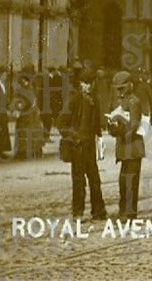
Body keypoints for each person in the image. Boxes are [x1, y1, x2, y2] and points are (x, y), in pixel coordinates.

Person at [59, 67, 107, 221]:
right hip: (77, 147)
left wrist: (99, 137)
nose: (88, 87)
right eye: (85, 83)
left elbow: (96, 124)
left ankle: (98, 211)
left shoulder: (94, 99)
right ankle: (78, 212)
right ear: (80, 84)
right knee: (79, 181)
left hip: (90, 147)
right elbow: (61, 123)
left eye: (90, 83)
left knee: (94, 180)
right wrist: (75, 136)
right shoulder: (74, 99)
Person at [106, 71, 145, 220]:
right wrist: (112, 128)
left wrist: (120, 129)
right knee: (122, 181)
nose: (120, 91)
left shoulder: (134, 101)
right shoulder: (118, 102)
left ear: (130, 85)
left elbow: (134, 124)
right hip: (123, 148)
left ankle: (130, 213)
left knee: (131, 181)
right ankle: (123, 210)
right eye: (118, 89)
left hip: (133, 148)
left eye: (122, 88)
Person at [12, 67, 45, 159]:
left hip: (26, 115)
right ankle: (36, 151)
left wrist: (17, 108)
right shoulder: (31, 88)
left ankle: (24, 152)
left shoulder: (25, 89)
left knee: (25, 133)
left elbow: (22, 101)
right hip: (33, 115)